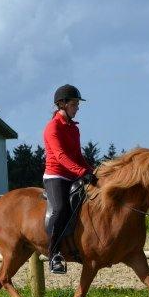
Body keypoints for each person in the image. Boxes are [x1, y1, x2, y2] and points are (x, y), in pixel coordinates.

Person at [43, 84, 97, 274]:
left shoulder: (74, 129)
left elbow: (77, 155)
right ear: (62, 104)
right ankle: (54, 255)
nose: (77, 107)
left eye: (77, 104)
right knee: (61, 208)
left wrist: (92, 171)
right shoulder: (52, 127)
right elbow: (61, 157)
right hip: (56, 176)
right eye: (74, 104)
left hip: (73, 174)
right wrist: (81, 171)